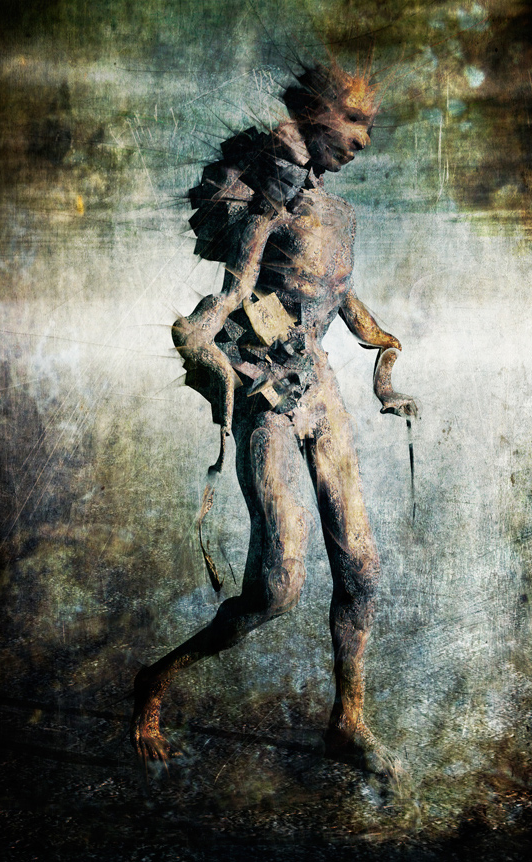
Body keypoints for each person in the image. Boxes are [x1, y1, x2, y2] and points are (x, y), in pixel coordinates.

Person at [130, 61, 417, 778]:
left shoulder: (341, 217)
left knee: (362, 569)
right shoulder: (265, 213)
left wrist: (386, 369)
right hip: (269, 402)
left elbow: (344, 303)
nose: (363, 139)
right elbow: (226, 301)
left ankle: (347, 720)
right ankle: (156, 679)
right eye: (353, 121)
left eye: (369, 126)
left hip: (322, 393)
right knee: (277, 588)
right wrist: (204, 347)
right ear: (313, 117)